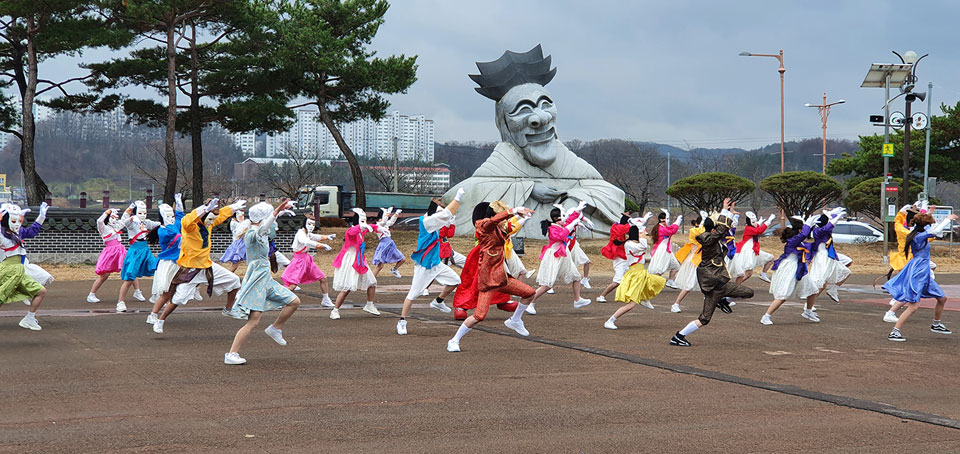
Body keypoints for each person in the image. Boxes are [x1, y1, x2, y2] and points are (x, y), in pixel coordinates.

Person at [447, 202, 536, 352]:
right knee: (479, 315)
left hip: (501, 277)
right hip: (488, 280)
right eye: (501, 216)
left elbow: (510, 228)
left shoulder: (499, 229)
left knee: (530, 293)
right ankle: (454, 340)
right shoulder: (483, 225)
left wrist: (524, 217)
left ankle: (515, 320)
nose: (505, 220)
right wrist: (514, 210)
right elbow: (495, 221)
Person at [225, 200, 302, 365]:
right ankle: (231, 354)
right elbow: (263, 228)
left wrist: (279, 213)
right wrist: (276, 212)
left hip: (265, 279)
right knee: (253, 321)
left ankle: (275, 328)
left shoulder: (256, 230)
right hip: (256, 281)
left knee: (294, 301)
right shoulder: (253, 234)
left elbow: (265, 226)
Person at [152, 198, 246, 334]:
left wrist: (234, 207)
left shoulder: (209, 224)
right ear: (203, 216)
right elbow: (188, 219)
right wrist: (204, 208)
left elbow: (222, 215)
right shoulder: (190, 227)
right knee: (178, 298)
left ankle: (228, 309)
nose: (212, 220)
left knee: (235, 280)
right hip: (190, 269)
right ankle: (160, 320)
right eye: (210, 217)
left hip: (207, 265)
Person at [669, 198, 754, 347]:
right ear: (713, 229)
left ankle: (678, 336)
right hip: (718, 285)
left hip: (712, 287)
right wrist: (724, 211)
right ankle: (723, 300)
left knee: (705, 318)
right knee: (749, 292)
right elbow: (722, 229)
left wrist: (728, 213)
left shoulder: (709, 238)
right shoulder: (709, 239)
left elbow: (723, 230)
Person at [397, 189, 465, 335]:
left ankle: (438, 302)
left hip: (436, 263)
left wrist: (438, 204)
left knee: (455, 280)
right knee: (413, 295)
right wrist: (457, 198)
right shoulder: (427, 223)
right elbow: (445, 215)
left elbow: (446, 218)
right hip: (424, 266)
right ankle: (402, 321)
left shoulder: (432, 222)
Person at [884, 212, 957, 341]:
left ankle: (936, 324)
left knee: (942, 298)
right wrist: (947, 219)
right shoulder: (919, 236)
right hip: (918, 272)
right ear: (925, 225)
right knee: (913, 306)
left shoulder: (916, 233)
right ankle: (895, 331)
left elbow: (933, 230)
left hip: (923, 271)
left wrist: (927, 210)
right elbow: (936, 231)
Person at [452, 200, 524, 320]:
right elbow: (506, 226)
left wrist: (519, 216)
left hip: (495, 257)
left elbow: (509, 228)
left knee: (500, 278)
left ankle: (502, 299)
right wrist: (517, 214)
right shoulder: (484, 225)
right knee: (472, 281)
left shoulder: (496, 226)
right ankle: (462, 305)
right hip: (480, 257)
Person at [524, 203, 591, 315]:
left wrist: (578, 210)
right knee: (547, 284)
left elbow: (570, 221)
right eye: (562, 216)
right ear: (556, 219)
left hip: (563, 255)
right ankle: (530, 303)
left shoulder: (561, 226)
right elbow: (561, 235)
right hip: (554, 257)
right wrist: (572, 224)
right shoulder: (552, 228)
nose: (565, 218)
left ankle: (577, 299)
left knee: (576, 277)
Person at [604, 222, 667, 330]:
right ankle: (610, 320)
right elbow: (643, 246)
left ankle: (644, 299)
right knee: (631, 305)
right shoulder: (629, 244)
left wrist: (642, 233)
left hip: (641, 273)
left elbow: (644, 245)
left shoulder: (634, 243)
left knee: (657, 281)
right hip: (635, 275)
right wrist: (642, 235)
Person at [794, 207, 847, 323]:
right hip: (823, 257)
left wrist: (833, 215)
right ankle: (808, 307)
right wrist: (836, 218)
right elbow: (830, 225)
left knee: (845, 272)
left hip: (829, 256)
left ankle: (832, 290)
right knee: (819, 283)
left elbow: (829, 225)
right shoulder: (819, 231)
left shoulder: (820, 229)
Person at [760, 215, 816, 325]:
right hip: (789, 269)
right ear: (799, 231)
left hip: (799, 269)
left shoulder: (798, 241)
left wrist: (806, 223)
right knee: (783, 295)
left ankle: (808, 311)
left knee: (813, 290)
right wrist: (807, 224)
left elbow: (808, 240)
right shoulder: (793, 240)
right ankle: (766, 316)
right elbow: (804, 234)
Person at [0, 204, 47, 330]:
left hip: (20, 270)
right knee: (1, 297)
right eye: (14, 221)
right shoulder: (1, 235)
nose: (17, 224)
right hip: (7, 269)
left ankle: (29, 318)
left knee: (41, 291)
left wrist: (41, 217)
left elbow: (31, 232)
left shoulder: (17, 232)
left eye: (20, 221)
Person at [330, 208, 381, 320]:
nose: (364, 223)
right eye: (362, 221)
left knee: (372, 282)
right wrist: (363, 226)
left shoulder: (362, 231)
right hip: (350, 260)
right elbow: (353, 232)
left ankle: (369, 304)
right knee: (347, 287)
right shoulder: (351, 231)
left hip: (360, 260)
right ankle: (335, 310)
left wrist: (379, 228)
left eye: (365, 221)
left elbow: (371, 227)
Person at [146, 194, 187, 324]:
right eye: (168, 215)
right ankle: (153, 314)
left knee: (177, 289)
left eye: (172, 215)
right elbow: (173, 232)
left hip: (179, 261)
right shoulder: (163, 231)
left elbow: (181, 218)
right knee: (167, 292)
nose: (171, 218)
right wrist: (169, 220)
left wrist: (179, 204)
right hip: (169, 263)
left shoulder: (174, 224)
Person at [280, 213, 335, 307]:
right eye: (309, 224)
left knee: (323, 278)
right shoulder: (300, 233)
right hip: (298, 261)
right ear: (304, 223)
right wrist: (322, 246)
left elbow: (315, 237)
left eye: (313, 224)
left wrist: (327, 237)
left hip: (307, 260)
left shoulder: (307, 233)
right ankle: (278, 300)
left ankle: (326, 299)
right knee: (292, 286)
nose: (311, 226)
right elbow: (306, 241)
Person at [115, 201, 160, 313]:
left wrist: (167, 220)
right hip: (135, 251)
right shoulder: (132, 222)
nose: (143, 215)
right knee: (130, 277)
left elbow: (157, 224)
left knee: (158, 270)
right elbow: (124, 222)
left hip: (145, 250)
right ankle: (120, 302)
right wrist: (131, 217)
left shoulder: (147, 222)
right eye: (140, 212)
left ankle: (158, 296)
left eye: (145, 213)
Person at [670, 212, 707, 313]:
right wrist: (703, 220)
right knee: (689, 285)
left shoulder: (706, 232)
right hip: (695, 261)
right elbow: (701, 233)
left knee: (710, 283)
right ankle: (676, 304)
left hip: (704, 261)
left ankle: (712, 302)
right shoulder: (693, 231)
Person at [87, 208, 127, 303]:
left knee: (129, 270)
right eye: (112, 218)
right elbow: (99, 221)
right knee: (105, 275)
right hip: (110, 252)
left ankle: (137, 291)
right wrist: (106, 212)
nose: (114, 220)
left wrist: (130, 208)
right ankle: (91, 294)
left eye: (116, 218)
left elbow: (124, 220)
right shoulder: (103, 228)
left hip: (120, 250)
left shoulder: (116, 227)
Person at [596, 213, 635, 304]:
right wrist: (633, 223)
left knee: (630, 277)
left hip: (623, 256)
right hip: (619, 257)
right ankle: (601, 296)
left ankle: (629, 295)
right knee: (617, 281)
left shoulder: (616, 226)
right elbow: (626, 229)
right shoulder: (619, 228)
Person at [729, 211, 777, 284]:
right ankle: (735, 287)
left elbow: (756, 227)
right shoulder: (748, 228)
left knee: (771, 258)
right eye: (753, 222)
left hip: (754, 250)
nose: (755, 223)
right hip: (747, 251)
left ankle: (763, 274)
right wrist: (769, 221)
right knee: (748, 273)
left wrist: (760, 222)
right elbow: (758, 230)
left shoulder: (751, 227)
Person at [647, 210, 682, 288]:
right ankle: (650, 285)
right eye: (665, 219)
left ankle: (670, 281)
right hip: (662, 250)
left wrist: (676, 222)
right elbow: (672, 231)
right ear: (660, 220)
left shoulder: (664, 227)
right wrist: (677, 222)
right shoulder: (660, 228)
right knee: (660, 269)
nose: (666, 221)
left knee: (676, 266)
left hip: (667, 250)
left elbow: (670, 229)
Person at [372, 207, 406, 278]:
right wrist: (388, 212)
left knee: (402, 259)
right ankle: (370, 280)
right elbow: (384, 221)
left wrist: (396, 213)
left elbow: (391, 221)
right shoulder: (378, 225)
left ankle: (394, 269)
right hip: (384, 245)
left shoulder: (385, 225)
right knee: (380, 266)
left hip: (390, 244)